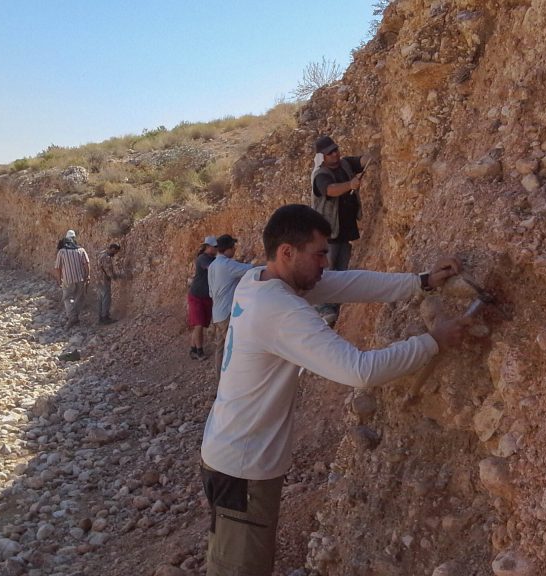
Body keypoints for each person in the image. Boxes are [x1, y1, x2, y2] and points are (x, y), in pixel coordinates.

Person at [199, 204, 466, 576]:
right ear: (287, 252)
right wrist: (432, 342)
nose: (326, 262)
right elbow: (360, 370)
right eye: (320, 253)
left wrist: (419, 281)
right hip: (243, 469)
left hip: (227, 453)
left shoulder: (259, 280)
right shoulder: (279, 309)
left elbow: (347, 283)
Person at [310, 135, 373, 324]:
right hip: (328, 234)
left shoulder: (345, 164)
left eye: (336, 149)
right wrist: (350, 185)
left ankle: (334, 307)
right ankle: (324, 308)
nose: (335, 154)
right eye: (330, 152)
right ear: (322, 157)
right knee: (327, 271)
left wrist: (371, 157)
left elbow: (361, 161)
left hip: (344, 231)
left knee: (341, 269)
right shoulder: (320, 175)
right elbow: (329, 190)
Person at [207, 234, 253, 375]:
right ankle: (235, 382)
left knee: (221, 350)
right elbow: (250, 269)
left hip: (217, 314)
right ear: (227, 249)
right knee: (235, 348)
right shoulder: (227, 264)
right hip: (227, 313)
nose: (234, 250)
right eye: (233, 247)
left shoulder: (213, 265)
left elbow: (210, 292)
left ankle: (220, 383)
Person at [188, 235, 218, 360]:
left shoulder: (212, 258)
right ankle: (200, 352)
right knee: (199, 324)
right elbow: (211, 268)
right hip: (196, 296)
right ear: (208, 247)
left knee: (199, 325)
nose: (216, 249)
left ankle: (193, 349)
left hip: (206, 297)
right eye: (214, 247)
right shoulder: (203, 258)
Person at [53, 229, 90, 328]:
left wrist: (59, 279)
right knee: (79, 298)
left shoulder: (62, 252)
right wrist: (88, 276)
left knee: (67, 298)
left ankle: (71, 317)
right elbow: (86, 264)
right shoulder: (81, 250)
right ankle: (75, 317)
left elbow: (57, 268)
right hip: (80, 278)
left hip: (67, 279)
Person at [96, 243, 122, 324]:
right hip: (104, 281)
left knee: (100, 299)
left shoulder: (101, 254)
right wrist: (118, 276)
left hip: (98, 280)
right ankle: (105, 318)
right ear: (113, 249)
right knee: (106, 299)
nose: (115, 254)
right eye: (116, 252)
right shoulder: (107, 257)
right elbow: (109, 272)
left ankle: (100, 318)